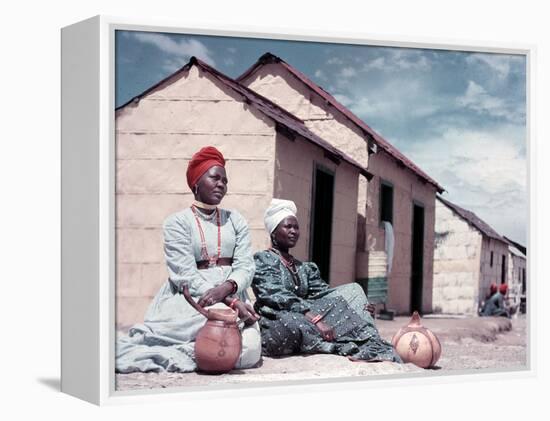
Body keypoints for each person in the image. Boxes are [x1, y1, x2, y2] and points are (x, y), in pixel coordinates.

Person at [116, 146, 261, 373]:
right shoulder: (177, 223)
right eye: (215, 178)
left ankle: (204, 352)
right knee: (212, 345)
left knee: (249, 353)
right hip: (191, 299)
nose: (221, 184)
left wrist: (228, 290)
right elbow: (184, 273)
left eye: (225, 180)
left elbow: (245, 265)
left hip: (234, 297)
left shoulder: (236, 220)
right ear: (196, 182)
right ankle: (196, 350)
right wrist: (224, 299)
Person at [251, 198, 401, 362]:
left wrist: (356, 306)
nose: (294, 231)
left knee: (353, 291)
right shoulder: (262, 260)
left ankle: (372, 344)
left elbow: (326, 295)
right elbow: (274, 294)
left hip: (307, 318)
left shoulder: (303, 267)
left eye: (296, 227)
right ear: (273, 232)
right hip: (276, 319)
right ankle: (334, 346)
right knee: (292, 323)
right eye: (288, 227)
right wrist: (313, 317)